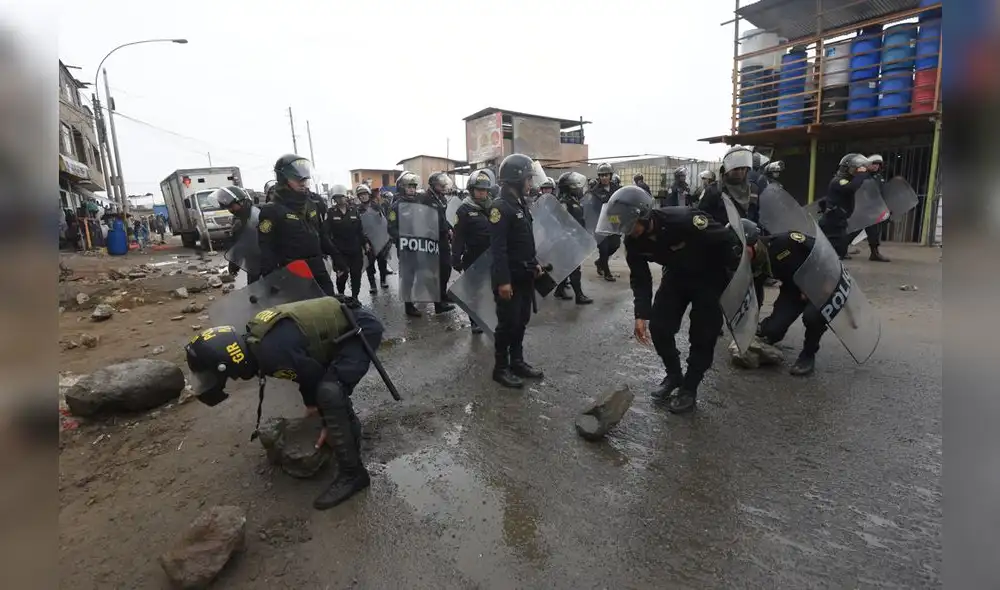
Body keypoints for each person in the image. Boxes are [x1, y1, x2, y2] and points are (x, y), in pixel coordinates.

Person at [184, 295, 383, 510]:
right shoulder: (258, 341)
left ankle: (353, 474)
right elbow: (306, 370)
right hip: (344, 329)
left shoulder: (271, 353)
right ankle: (349, 431)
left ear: (228, 363)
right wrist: (313, 406)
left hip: (360, 330)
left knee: (330, 391)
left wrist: (327, 421)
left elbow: (315, 375)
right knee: (327, 391)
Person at [600, 186, 743, 414]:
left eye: (629, 224)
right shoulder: (634, 241)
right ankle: (674, 375)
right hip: (676, 277)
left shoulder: (686, 219)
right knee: (659, 327)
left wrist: (734, 281)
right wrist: (641, 314)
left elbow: (727, 241)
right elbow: (641, 279)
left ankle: (690, 387)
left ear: (644, 214)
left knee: (703, 335)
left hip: (710, 277)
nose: (625, 230)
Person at [489, 154, 545, 388]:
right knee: (507, 324)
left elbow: (524, 241)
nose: (530, 184)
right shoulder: (500, 208)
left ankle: (517, 361)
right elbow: (498, 249)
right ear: (515, 180)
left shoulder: (520, 203)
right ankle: (501, 368)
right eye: (528, 179)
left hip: (524, 275)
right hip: (509, 278)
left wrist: (535, 263)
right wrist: (503, 282)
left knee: (521, 320)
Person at [258, 154, 340, 296]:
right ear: (283, 180)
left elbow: (320, 234)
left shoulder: (311, 204)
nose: (303, 183)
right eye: (297, 179)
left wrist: (336, 256)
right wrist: (271, 279)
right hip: (293, 273)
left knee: (331, 310)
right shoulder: (271, 210)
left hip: (318, 269)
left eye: (305, 179)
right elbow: (266, 249)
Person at [756, 229, 829, 376]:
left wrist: (812, 284)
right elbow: (755, 292)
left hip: (821, 283)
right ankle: (769, 331)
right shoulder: (755, 260)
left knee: (812, 317)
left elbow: (825, 253)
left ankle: (808, 355)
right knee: (772, 330)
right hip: (793, 290)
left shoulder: (786, 241)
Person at [452, 171, 495, 334]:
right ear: (471, 190)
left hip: (491, 255)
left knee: (492, 289)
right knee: (474, 291)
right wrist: (455, 257)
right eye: (478, 189)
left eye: (484, 190)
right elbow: (458, 237)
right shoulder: (464, 210)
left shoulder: (493, 207)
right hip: (473, 257)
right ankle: (475, 321)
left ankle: (491, 316)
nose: (482, 193)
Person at [818, 153, 870, 259]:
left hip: (838, 220)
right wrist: (861, 175)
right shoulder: (839, 180)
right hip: (832, 222)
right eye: (855, 169)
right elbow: (850, 188)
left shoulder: (846, 180)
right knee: (835, 252)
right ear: (847, 168)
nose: (856, 171)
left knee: (840, 248)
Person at [553, 171, 593, 305]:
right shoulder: (564, 202)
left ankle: (559, 290)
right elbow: (561, 222)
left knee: (566, 267)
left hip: (575, 238)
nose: (579, 187)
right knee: (574, 267)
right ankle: (579, 295)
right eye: (575, 185)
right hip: (568, 240)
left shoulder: (573, 200)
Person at [323, 184, 365, 300]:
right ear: (334, 199)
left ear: (346, 197)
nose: (340, 199)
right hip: (340, 251)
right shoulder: (331, 213)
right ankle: (341, 296)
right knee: (342, 275)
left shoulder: (354, 211)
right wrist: (330, 250)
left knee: (356, 275)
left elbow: (360, 230)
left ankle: (355, 297)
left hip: (355, 250)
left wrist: (365, 244)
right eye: (337, 197)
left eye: (342, 196)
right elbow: (325, 233)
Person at [424, 172, 457, 315]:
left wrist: (449, 228)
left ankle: (443, 295)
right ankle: (438, 304)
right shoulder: (426, 199)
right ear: (432, 185)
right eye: (440, 184)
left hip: (443, 238)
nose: (443, 186)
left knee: (446, 269)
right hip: (432, 239)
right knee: (436, 272)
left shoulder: (441, 198)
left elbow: (443, 218)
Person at [213, 185, 260, 281]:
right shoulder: (240, 217)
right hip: (252, 263)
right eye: (227, 208)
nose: (230, 210)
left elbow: (245, 242)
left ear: (240, 201)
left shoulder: (255, 215)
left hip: (264, 261)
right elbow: (238, 242)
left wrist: (234, 262)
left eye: (231, 206)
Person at [587, 163, 620, 281]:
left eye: (606, 175)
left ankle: (599, 262)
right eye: (601, 175)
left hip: (614, 222)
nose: (604, 178)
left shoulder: (617, 188)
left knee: (615, 245)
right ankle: (607, 272)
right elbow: (590, 209)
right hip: (599, 223)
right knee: (604, 249)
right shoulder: (594, 191)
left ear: (610, 175)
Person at [357, 185, 390, 293]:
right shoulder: (357, 210)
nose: (363, 197)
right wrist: (364, 241)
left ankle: (383, 280)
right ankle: (373, 285)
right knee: (369, 264)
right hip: (367, 241)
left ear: (368, 195)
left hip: (380, 239)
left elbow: (384, 222)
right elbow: (357, 227)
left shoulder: (377, 207)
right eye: (361, 195)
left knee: (382, 261)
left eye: (365, 194)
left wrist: (387, 237)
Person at [862, 154, 890, 262]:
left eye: (878, 164)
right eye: (873, 164)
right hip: (862, 209)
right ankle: (840, 251)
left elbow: (883, 192)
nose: (875, 166)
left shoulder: (879, 177)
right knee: (850, 231)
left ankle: (874, 253)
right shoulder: (862, 176)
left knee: (874, 232)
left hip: (875, 210)